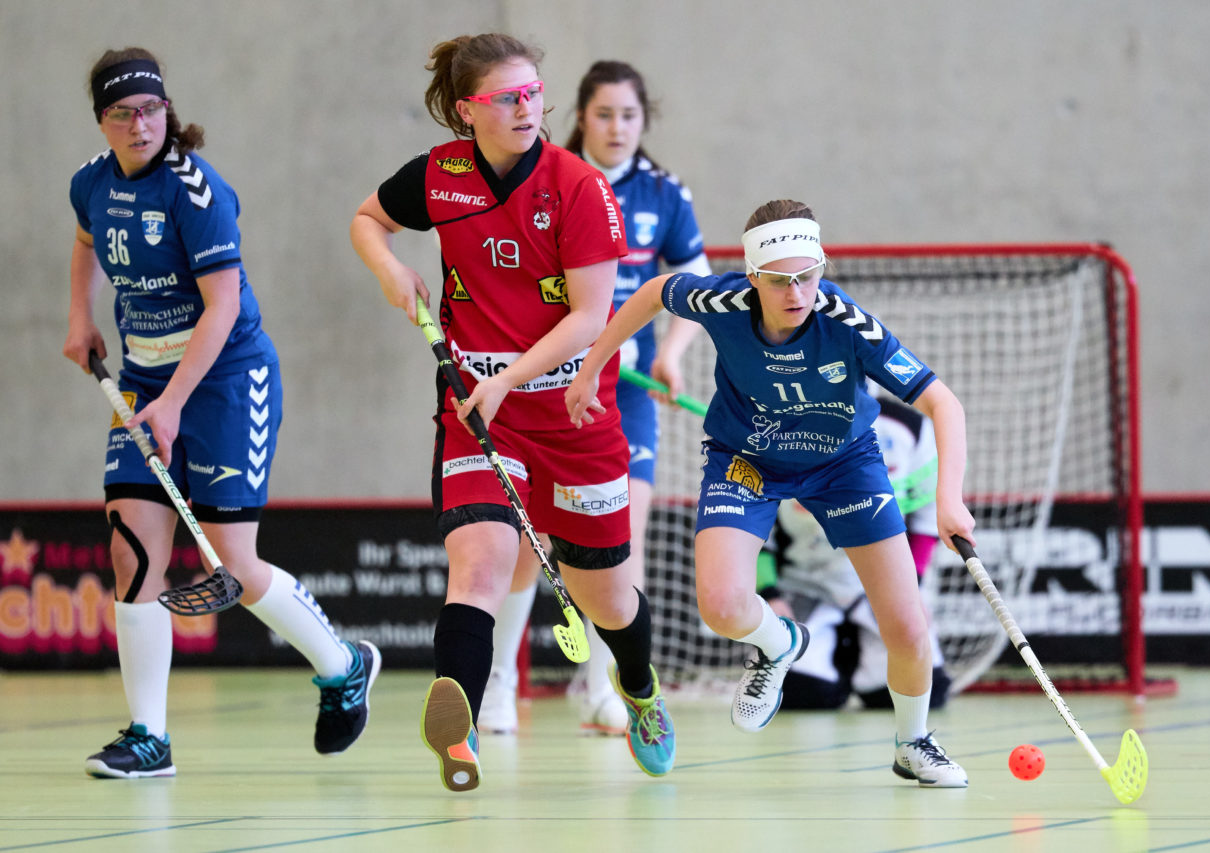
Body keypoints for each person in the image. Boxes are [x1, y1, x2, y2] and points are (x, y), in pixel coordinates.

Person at [349, 33, 676, 791]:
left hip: (574, 407)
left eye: (535, 93)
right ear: (469, 111)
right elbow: (367, 219)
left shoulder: (579, 187)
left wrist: (510, 378)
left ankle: (639, 689)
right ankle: (458, 724)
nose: (529, 107)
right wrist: (391, 267)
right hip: (475, 410)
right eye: (509, 97)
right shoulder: (439, 176)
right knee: (480, 561)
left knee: (607, 594)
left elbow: (591, 315)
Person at [567, 199, 973, 787]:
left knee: (908, 629)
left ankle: (913, 742)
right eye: (779, 280)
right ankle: (780, 642)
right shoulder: (722, 301)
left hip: (844, 464)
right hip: (746, 460)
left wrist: (949, 497)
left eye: (808, 275)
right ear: (753, 277)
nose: (796, 292)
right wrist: (590, 368)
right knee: (722, 606)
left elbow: (943, 402)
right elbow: (654, 290)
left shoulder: (847, 323)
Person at [63, 47, 379, 780]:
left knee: (234, 558)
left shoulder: (196, 192)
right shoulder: (91, 183)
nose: (140, 124)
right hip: (142, 377)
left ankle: (342, 666)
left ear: (166, 110)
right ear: (102, 122)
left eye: (150, 109)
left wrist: (174, 405)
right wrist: (78, 316)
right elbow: (84, 241)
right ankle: (150, 737)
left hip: (227, 379)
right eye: (122, 113)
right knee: (131, 548)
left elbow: (223, 304)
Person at [479, 60, 711, 737]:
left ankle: (604, 684)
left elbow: (691, 282)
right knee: (528, 542)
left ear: (645, 122)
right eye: (604, 114)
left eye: (630, 116)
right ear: (581, 116)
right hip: (537, 386)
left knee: (615, 545)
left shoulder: (664, 194)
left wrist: (669, 352)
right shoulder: (541, 176)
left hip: (621, 395)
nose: (617, 127)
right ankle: (497, 685)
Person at [759, 393, 952, 710]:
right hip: (806, 585)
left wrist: (910, 590)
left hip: (885, 584)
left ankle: (862, 648)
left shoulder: (910, 427)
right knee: (805, 694)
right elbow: (757, 535)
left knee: (922, 692)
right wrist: (771, 598)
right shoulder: (773, 430)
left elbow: (926, 518)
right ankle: (837, 653)